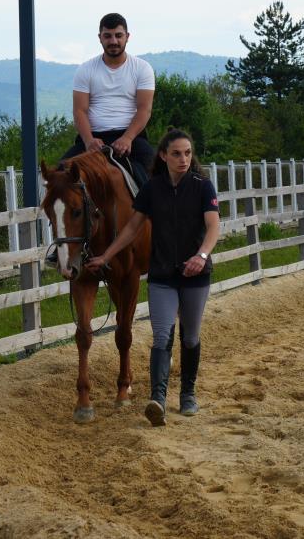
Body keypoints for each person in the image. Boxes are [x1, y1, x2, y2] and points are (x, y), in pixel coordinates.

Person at [86, 129, 221, 426]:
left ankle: (188, 394)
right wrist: (106, 256)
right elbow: (132, 228)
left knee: (190, 336)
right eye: (176, 153)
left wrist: (201, 256)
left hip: (195, 275)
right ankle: (157, 399)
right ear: (163, 156)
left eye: (187, 153)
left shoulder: (203, 187)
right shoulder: (152, 189)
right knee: (162, 335)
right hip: (162, 274)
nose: (183, 159)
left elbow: (213, 227)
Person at [61, 12, 156, 185]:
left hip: (132, 137)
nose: (113, 41)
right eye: (108, 36)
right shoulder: (85, 69)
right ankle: (47, 213)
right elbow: (79, 110)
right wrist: (89, 141)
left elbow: (144, 109)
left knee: (157, 172)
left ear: (127, 37)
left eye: (118, 36)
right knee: (59, 174)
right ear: (100, 38)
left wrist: (127, 138)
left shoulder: (142, 68)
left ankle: (155, 211)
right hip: (93, 137)